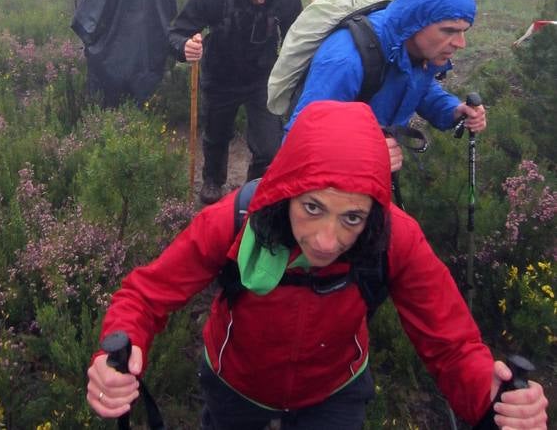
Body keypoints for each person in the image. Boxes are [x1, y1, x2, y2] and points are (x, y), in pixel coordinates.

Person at [86, 101, 549, 430]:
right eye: (312, 208)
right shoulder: (236, 220)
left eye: (352, 217)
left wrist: (490, 396)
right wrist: (118, 354)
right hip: (235, 385)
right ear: (287, 189)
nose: (328, 240)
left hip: (334, 391)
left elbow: (452, 345)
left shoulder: (395, 237)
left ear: (373, 211)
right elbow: (145, 297)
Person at [285, 0, 487, 174]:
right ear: (417, 20)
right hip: (332, 187)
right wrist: (363, 154)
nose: (461, 43)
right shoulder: (346, 59)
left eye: (464, 31)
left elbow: (415, 85)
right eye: (449, 31)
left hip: (371, 174)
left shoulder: (415, 49)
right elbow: (299, 140)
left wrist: (452, 110)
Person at [170, 0, 302, 204]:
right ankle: (213, 180)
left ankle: (254, 190)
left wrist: (294, 75)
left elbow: (296, 40)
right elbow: (177, 32)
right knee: (217, 134)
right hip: (219, 76)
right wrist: (185, 46)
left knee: (269, 146)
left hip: (262, 78)